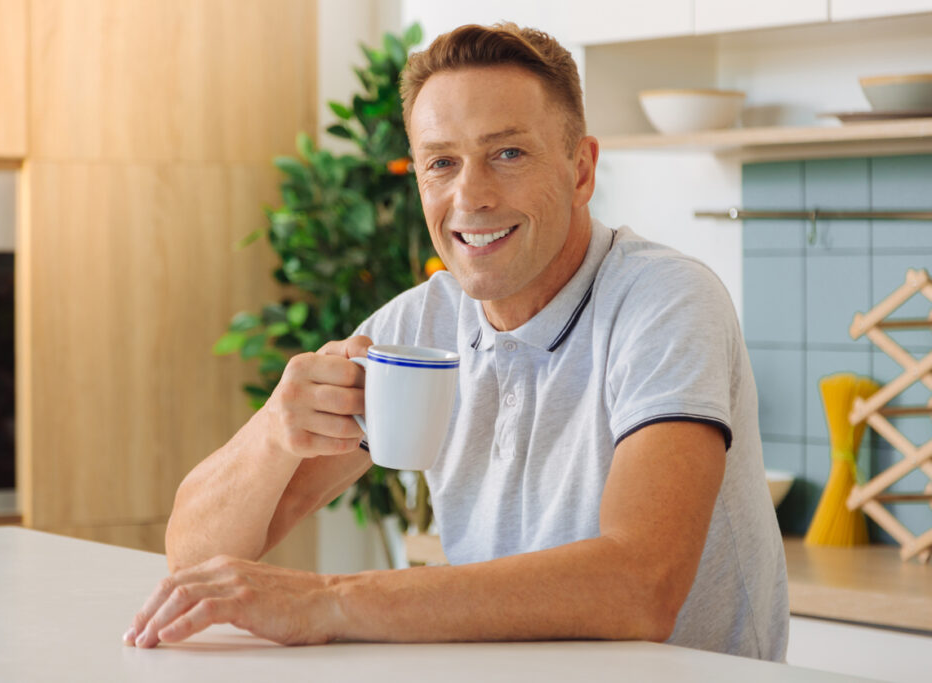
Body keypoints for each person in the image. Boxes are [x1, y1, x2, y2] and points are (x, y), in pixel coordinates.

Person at [123, 23, 789, 661]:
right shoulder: (419, 327)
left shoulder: (666, 299)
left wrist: (330, 599)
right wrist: (272, 432)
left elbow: (642, 584)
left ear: (581, 170)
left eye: (508, 153)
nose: (469, 196)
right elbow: (196, 561)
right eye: (442, 162)